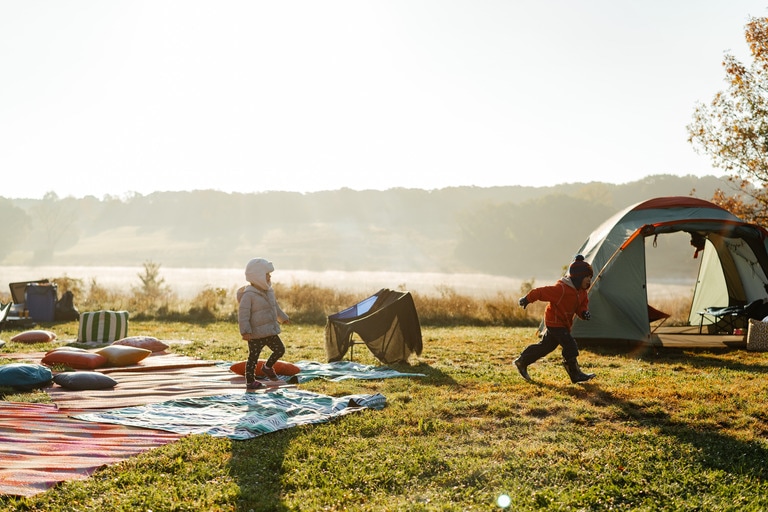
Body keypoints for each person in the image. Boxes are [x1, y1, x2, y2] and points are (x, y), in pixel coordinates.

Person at [514, 254, 596, 384]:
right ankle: (575, 374)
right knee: (570, 345)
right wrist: (527, 299)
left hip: (563, 323)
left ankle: (522, 361)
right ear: (578, 277)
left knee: (546, 347)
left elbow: (581, 306)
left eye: (590, 277)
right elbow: (541, 292)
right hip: (554, 322)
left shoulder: (582, 292)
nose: (589, 280)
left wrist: (584, 313)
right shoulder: (562, 289)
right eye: (587, 277)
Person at [237, 258, 290, 390]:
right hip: (255, 334)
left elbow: (275, 307)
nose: (270, 276)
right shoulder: (248, 295)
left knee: (280, 350)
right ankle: (250, 381)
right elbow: (243, 314)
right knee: (253, 358)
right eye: (267, 274)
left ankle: (267, 367)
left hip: (269, 331)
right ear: (258, 276)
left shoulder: (269, 291)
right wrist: (245, 331)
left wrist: (283, 318)